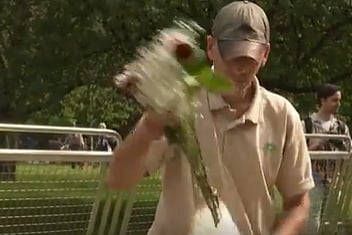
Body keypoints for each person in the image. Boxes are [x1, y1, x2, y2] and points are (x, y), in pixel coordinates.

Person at [107, 1, 314, 235]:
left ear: (265, 53)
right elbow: (118, 179)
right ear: (210, 47)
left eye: (249, 58)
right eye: (232, 55)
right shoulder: (177, 103)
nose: (240, 68)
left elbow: (298, 203)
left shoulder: (282, 115)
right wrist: (149, 129)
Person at [302, 83, 351, 234]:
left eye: (339, 100)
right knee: (313, 219)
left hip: (335, 178)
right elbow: (296, 154)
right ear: (322, 101)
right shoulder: (307, 124)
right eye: (334, 100)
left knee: (332, 219)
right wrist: (317, 144)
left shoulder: (341, 126)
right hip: (313, 177)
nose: (338, 104)